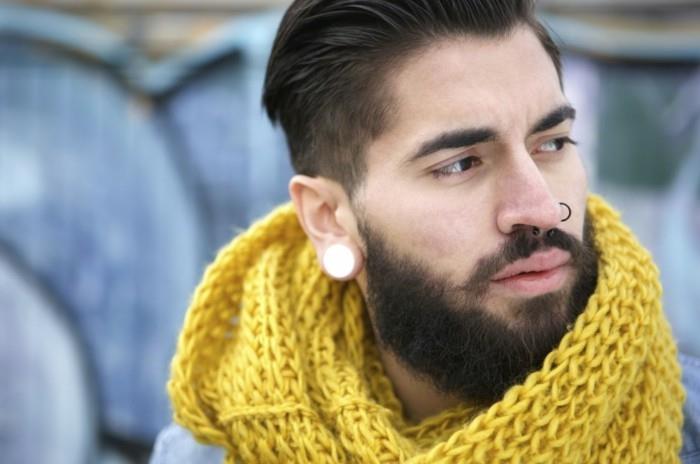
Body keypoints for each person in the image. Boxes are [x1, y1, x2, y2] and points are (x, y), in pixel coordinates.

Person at [152, 1, 700, 462]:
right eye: (460, 164)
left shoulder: (687, 425)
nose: (541, 208)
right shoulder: (212, 451)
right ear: (329, 219)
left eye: (551, 143)